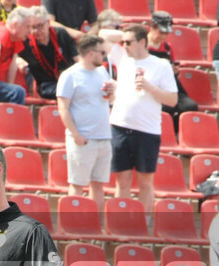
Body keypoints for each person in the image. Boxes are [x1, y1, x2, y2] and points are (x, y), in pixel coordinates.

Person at [109, 24, 178, 213]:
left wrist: (150, 87)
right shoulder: (123, 57)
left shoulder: (160, 64)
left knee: (145, 182)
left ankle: (144, 226)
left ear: (142, 42)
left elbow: (172, 100)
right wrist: (124, 35)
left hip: (147, 130)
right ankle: (119, 223)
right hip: (120, 126)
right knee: (121, 181)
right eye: (122, 42)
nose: (124, 45)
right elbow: (101, 34)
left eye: (129, 42)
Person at [56, 34, 114, 207]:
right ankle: (73, 226)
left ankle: (94, 226)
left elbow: (108, 100)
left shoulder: (102, 71)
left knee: (98, 184)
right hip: (83, 138)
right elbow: (63, 108)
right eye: (101, 52)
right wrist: (76, 135)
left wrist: (111, 94)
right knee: (78, 184)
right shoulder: (70, 75)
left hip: (103, 136)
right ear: (90, 53)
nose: (103, 56)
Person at [147, 11, 199, 136]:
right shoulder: (143, 46)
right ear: (152, 27)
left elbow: (173, 68)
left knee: (190, 106)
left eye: (166, 33)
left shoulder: (167, 47)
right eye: (161, 32)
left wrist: (175, 71)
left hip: (169, 85)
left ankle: (176, 135)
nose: (164, 36)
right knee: (166, 107)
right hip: (152, 85)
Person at [18, 6, 77, 100]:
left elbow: (77, 59)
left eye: (40, 26)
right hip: (47, 85)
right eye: (33, 27)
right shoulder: (26, 42)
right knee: (67, 92)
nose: (36, 31)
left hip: (69, 80)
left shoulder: (61, 34)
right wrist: (18, 60)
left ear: (48, 23)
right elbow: (14, 56)